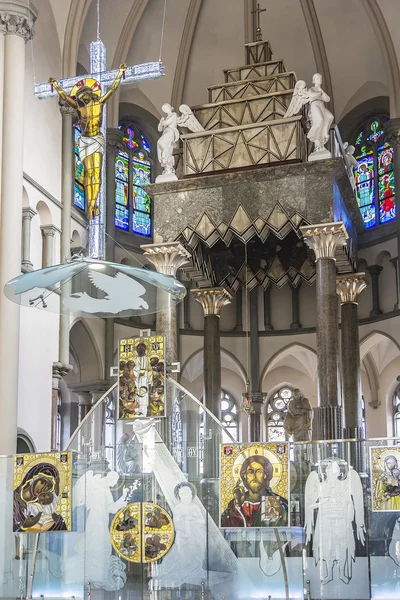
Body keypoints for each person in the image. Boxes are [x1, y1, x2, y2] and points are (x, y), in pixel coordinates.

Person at [49, 64, 127, 219]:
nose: (81, 98)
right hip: (85, 140)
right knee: (87, 173)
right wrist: (56, 86)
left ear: (90, 94)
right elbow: (64, 97)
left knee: (96, 174)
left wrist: (120, 74)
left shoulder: (99, 103)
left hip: (96, 139)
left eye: (84, 95)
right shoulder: (79, 107)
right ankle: (90, 203)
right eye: (80, 96)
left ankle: (93, 204)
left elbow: (111, 90)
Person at [221, 455, 288, 527]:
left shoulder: (273, 501)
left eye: (259, 471)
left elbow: (271, 529)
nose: (254, 476)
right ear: (245, 475)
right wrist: (237, 505)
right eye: (250, 472)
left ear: (265, 475)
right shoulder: (236, 503)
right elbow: (225, 526)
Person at [13, 463, 67, 532]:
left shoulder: (50, 504)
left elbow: (56, 494)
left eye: (48, 488)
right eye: (43, 482)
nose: (43, 488)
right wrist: (24, 527)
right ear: (33, 478)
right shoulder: (14, 500)